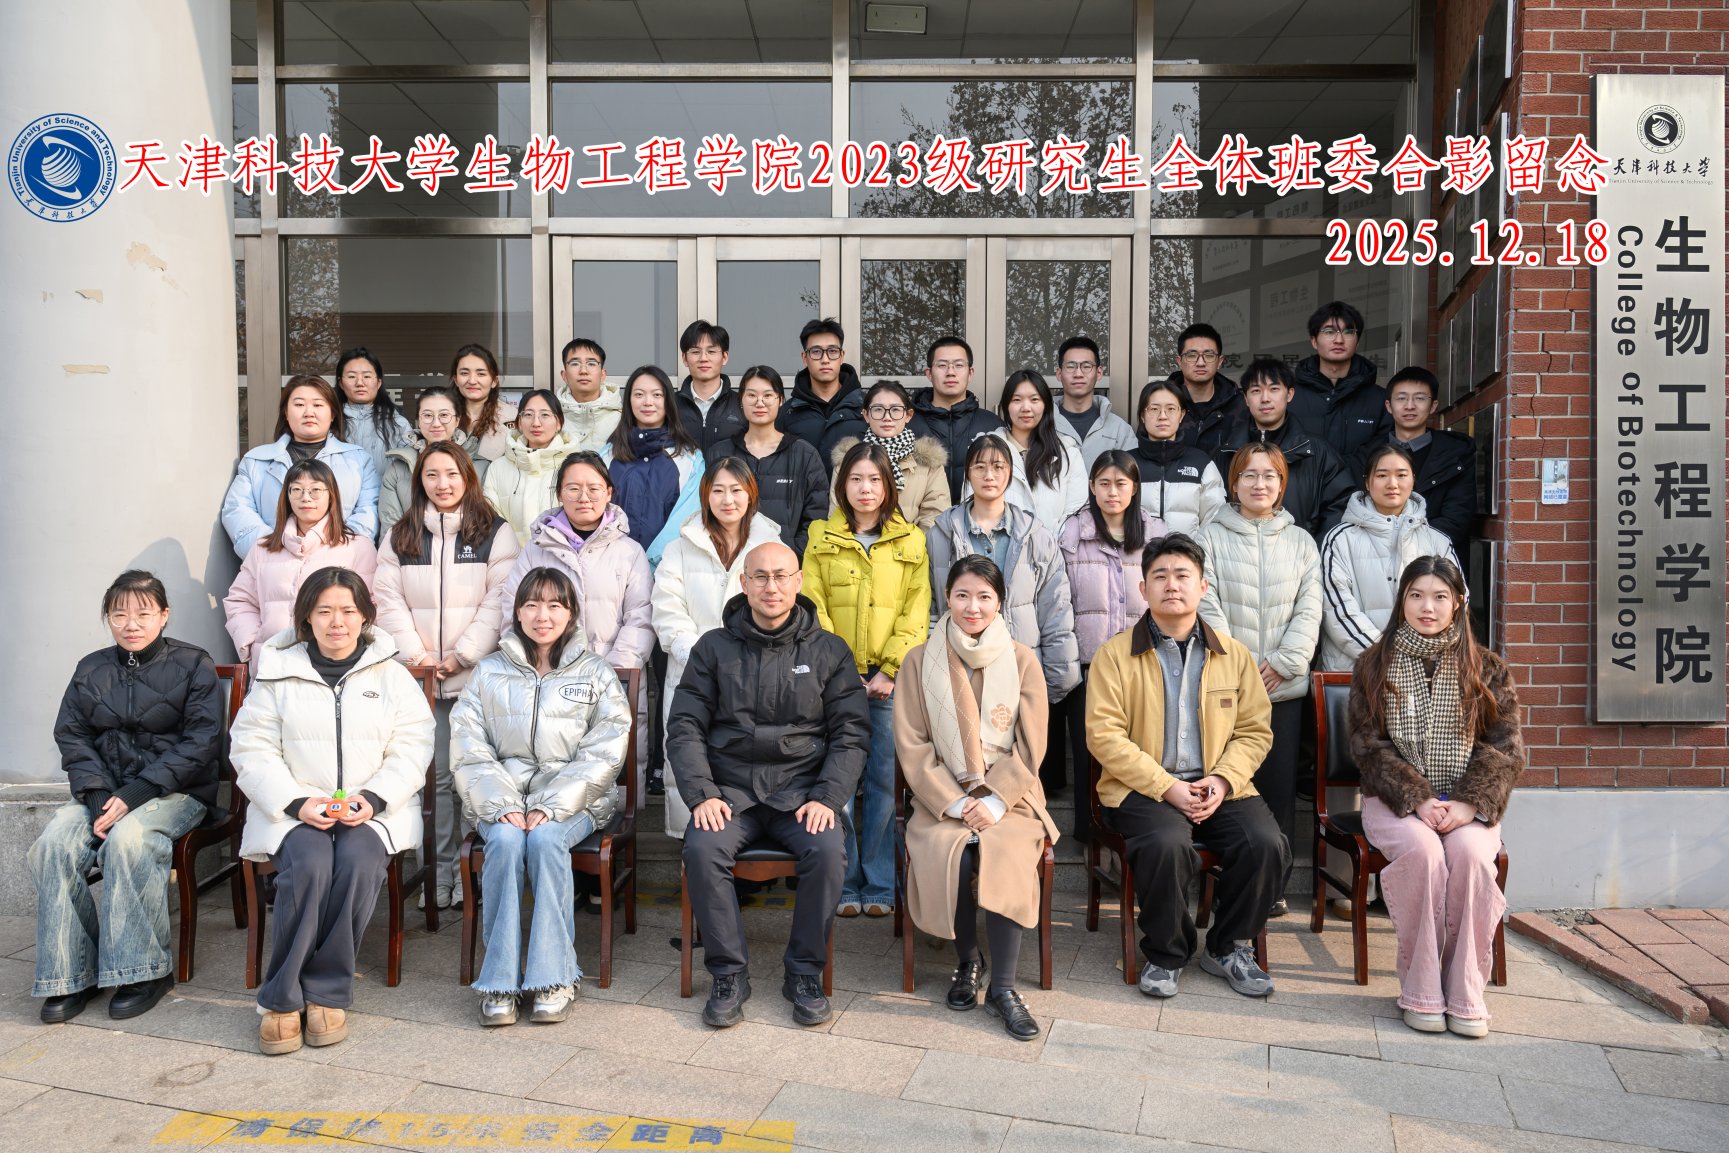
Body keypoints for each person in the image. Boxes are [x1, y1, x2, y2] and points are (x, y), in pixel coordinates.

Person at [231, 568, 434, 1055]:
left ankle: (325, 989)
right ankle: (281, 996)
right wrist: (296, 802)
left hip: (373, 810)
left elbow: (413, 746)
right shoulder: (277, 671)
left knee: (359, 863)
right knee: (311, 864)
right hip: (293, 809)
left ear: (365, 616)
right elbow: (251, 747)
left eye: (347, 611)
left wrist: (374, 798)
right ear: (306, 617)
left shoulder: (391, 675)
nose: (336, 622)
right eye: (324, 611)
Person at [668, 542, 869, 1030]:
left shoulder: (829, 650)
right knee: (702, 849)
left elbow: (851, 733)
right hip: (729, 794)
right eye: (760, 576)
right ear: (744, 583)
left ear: (799, 581)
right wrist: (702, 794)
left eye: (781, 576)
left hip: (800, 795)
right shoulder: (713, 648)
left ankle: (803, 972)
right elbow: (685, 726)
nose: (771, 587)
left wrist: (827, 797)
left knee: (828, 852)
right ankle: (728, 975)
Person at [1086, 534, 1286, 1000]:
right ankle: (1167, 953)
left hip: (1220, 785)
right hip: (1142, 788)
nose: (1171, 585)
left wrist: (1222, 779)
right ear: (1143, 589)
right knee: (1165, 845)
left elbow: (1255, 731)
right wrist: (1166, 786)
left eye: (1182, 575)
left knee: (1266, 844)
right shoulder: (1114, 655)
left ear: (1203, 586)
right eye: (1160, 576)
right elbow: (1104, 736)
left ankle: (1228, 946)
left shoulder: (1233, 655)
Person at [31, 571, 224, 1025]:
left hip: (175, 792)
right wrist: (99, 794)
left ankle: (144, 972)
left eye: (143, 613)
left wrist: (138, 792)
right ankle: (70, 974)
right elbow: (72, 735)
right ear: (108, 618)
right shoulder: (91, 668)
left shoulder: (193, 664)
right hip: (104, 794)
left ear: (164, 615)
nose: (131, 624)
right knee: (54, 844)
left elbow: (202, 740)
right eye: (119, 614)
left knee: (130, 839)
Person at [1348, 555, 1523, 1038]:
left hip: (1468, 803)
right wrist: (1418, 797)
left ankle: (1465, 991)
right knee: (1424, 854)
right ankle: (1422, 988)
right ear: (1402, 601)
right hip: (1396, 803)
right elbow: (1368, 746)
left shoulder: (1488, 669)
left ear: (1458, 603)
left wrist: (1469, 802)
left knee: (1470, 856)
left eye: (1440, 597)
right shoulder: (1373, 665)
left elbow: (1504, 749)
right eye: (1417, 596)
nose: (1428, 607)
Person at [452, 567, 632, 1026]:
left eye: (554, 605)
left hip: (574, 800)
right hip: (501, 798)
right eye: (531, 604)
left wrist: (553, 805)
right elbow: (469, 748)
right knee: (506, 840)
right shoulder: (489, 671)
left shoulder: (595, 672)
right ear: (517, 612)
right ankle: (500, 981)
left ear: (571, 613)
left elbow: (606, 750)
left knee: (548, 839)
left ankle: (554, 976)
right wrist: (503, 805)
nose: (542, 615)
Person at [895, 555, 1059, 1042]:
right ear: (947, 597)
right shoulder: (918, 661)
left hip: (1013, 795)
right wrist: (954, 801)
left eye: (984, 596)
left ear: (999, 602)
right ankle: (968, 961)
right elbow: (912, 745)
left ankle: (1004, 988)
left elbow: (1031, 745)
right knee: (957, 851)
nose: (973, 606)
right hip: (940, 796)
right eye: (962, 595)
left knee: (1003, 849)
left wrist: (994, 800)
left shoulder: (1023, 659)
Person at [374, 442, 521, 909]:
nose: (443, 484)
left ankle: (471, 877)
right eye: (432, 475)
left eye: (452, 474)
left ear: (467, 478)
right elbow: (386, 598)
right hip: (421, 680)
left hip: (477, 679)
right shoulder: (402, 534)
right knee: (433, 780)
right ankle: (436, 877)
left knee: (476, 777)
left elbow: (501, 598)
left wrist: (465, 654)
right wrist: (416, 657)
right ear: (420, 481)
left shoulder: (494, 532)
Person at [803, 442, 932, 917]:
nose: (865, 489)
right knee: (836, 780)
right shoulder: (820, 536)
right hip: (834, 682)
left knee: (882, 781)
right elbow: (812, 605)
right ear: (843, 485)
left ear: (888, 487)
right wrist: (839, 672)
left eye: (874, 480)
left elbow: (916, 612)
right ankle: (843, 877)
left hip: (887, 683)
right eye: (856, 479)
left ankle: (878, 880)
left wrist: (890, 670)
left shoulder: (911, 540)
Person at [1195, 444, 1323, 915]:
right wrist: (1243, 668)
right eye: (1249, 475)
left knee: (1277, 790)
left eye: (1270, 476)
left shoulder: (1302, 542)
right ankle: (1221, 882)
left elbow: (1311, 608)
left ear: (1282, 484)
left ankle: (1273, 887)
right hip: (1226, 689)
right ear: (1234, 483)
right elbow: (1205, 604)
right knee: (1226, 784)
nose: (1259, 484)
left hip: (1282, 688)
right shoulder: (1208, 537)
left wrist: (1286, 662)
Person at [507, 453, 655, 794]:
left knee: (612, 776)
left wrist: (611, 674)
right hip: (547, 680)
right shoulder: (536, 549)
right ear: (560, 493)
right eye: (573, 488)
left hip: (614, 678)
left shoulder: (629, 551)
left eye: (593, 488)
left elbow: (641, 616)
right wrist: (538, 667)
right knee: (550, 779)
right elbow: (512, 610)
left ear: (609, 492)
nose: (583, 496)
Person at [651, 459, 783, 837]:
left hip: (752, 673)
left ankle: (741, 844)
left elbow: (778, 605)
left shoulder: (771, 545)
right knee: (690, 757)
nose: (728, 499)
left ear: (751, 494)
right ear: (705, 495)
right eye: (718, 490)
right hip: (691, 672)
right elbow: (667, 608)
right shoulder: (679, 547)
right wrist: (702, 658)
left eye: (736, 490)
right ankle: (692, 849)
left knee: (743, 761)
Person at [1055, 452, 1166, 840]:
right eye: (1104, 483)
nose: (1112, 492)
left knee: (1139, 748)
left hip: (1144, 662)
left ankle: (1133, 834)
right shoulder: (1072, 533)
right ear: (1091, 487)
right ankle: (1090, 834)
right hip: (1088, 663)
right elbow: (1059, 600)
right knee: (1090, 751)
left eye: (1121, 483)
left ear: (1134, 488)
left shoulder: (1156, 534)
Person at [927, 435, 1081, 711]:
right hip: (957, 675)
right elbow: (931, 607)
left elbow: (1055, 610)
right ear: (967, 474)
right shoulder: (941, 534)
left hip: (1020, 674)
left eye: (998, 467)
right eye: (980, 467)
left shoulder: (1035, 535)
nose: (989, 475)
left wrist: (1056, 681)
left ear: (1010, 474)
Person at [225, 459, 379, 673]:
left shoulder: (357, 547)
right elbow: (240, 600)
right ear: (286, 496)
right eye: (296, 489)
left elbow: (373, 605)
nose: (305, 497)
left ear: (331, 494)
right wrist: (253, 643)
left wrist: (352, 650)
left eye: (315, 490)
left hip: (336, 666)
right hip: (273, 664)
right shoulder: (263, 548)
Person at [1318, 444, 1459, 672]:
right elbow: (1337, 610)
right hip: (1358, 671)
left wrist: (1421, 655)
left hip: (1425, 670)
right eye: (1382, 475)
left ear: (1413, 479)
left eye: (1401, 475)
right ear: (1367, 482)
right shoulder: (1340, 540)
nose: (1392, 484)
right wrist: (1386, 656)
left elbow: (1457, 602)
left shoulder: (1437, 541)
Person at [222, 375, 380, 557]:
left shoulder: (359, 460)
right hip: (272, 562)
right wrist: (273, 549)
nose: (308, 412)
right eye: (299, 404)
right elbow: (237, 510)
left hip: (337, 563)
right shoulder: (256, 461)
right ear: (286, 413)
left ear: (332, 414)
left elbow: (369, 511)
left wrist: (334, 552)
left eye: (318, 405)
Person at [1213, 358, 1354, 540]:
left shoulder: (1317, 452)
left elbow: (1340, 504)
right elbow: (1213, 509)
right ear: (1246, 399)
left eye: (1274, 389)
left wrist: (1314, 548)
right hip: (1237, 553)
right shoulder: (1227, 453)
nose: (1265, 398)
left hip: (1301, 554)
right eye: (1256, 391)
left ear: (1289, 394)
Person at [708, 366, 829, 554]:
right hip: (729, 561)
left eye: (768, 395)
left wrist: (790, 556)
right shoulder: (720, 453)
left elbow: (816, 518)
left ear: (780, 400)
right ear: (741, 400)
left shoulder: (804, 455)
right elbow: (706, 511)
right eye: (751, 395)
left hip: (787, 565)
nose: (760, 402)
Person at [605, 365, 705, 560]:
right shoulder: (608, 455)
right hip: (613, 566)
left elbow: (690, 518)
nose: (648, 402)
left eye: (657, 395)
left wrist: (653, 562)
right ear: (628, 401)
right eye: (639, 394)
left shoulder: (690, 459)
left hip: (668, 567)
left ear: (668, 401)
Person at [829, 380, 951, 530]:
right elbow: (837, 515)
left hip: (913, 543)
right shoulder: (848, 460)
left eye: (895, 409)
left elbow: (935, 517)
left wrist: (911, 544)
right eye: (878, 409)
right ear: (866, 415)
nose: (887, 417)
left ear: (908, 415)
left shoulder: (929, 461)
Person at [1384, 366, 1476, 557]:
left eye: (1419, 398)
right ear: (1389, 406)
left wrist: (1407, 545)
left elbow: (1456, 518)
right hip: (1377, 560)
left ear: (1433, 406)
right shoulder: (1367, 455)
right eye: (1401, 398)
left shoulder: (1456, 455)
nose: (1410, 406)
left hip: (1436, 561)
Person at [982, 369, 1088, 536]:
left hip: (1055, 551)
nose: (1026, 408)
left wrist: (1046, 547)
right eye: (1017, 400)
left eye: (1034, 400)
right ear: (1006, 406)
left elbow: (1076, 515)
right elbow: (975, 512)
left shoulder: (1068, 454)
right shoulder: (984, 453)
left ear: (1046, 405)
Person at [1291, 301, 1389, 466]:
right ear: (1314, 341)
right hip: (1303, 482)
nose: (1339, 340)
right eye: (1329, 332)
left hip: (1359, 481)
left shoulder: (1380, 400)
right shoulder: (1289, 397)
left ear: (1357, 342)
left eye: (1348, 332)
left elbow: (1383, 451)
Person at [380, 386, 489, 534]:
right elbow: (391, 531)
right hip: (411, 546)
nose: (436, 423)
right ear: (418, 420)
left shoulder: (482, 467)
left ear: (457, 420)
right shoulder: (398, 469)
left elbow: (485, 525)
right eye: (427, 415)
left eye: (444, 415)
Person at [910, 336, 1005, 502]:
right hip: (922, 518)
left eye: (959, 365)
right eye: (942, 365)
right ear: (929, 373)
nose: (950, 372)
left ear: (970, 373)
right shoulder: (908, 424)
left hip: (977, 516)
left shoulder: (992, 425)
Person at [1130, 378, 1226, 535]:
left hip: (1189, 550)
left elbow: (1215, 521)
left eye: (1171, 409)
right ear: (1142, 415)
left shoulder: (1201, 464)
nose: (1163, 416)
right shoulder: (1127, 464)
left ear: (1181, 415)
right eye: (1154, 409)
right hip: (1136, 551)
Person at [484, 388, 578, 544]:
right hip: (511, 557)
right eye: (528, 415)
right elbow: (491, 520)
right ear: (519, 423)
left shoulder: (577, 467)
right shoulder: (498, 468)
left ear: (559, 423)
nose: (536, 423)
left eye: (545, 415)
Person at [777, 317, 866, 471]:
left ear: (842, 356)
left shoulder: (866, 407)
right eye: (816, 352)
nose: (825, 360)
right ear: (805, 358)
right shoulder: (787, 413)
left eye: (832, 351)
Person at [1052, 335, 1137, 468]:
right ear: (1059, 374)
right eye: (1070, 366)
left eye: (1086, 366)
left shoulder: (1120, 430)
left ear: (1099, 373)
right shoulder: (1043, 424)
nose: (1078, 374)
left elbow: (1131, 476)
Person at [1166, 322, 1244, 458]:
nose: (1200, 363)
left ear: (1220, 361)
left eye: (1209, 355)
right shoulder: (1162, 403)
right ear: (1179, 361)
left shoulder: (1240, 404)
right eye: (1192, 355)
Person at [335, 346, 410, 479]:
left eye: (367, 376)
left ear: (379, 382)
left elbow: (409, 472)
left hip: (386, 493)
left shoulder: (398, 423)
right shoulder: (330, 421)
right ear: (341, 383)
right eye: (351, 376)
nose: (360, 383)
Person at [675, 320, 746, 453]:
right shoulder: (669, 405)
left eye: (711, 351)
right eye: (695, 352)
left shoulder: (742, 404)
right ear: (684, 358)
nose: (703, 358)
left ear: (724, 357)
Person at [553, 338, 622, 453]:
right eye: (575, 364)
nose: (583, 371)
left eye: (591, 364)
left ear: (603, 374)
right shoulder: (550, 419)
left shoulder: (624, 420)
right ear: (564, 375)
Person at [452, 343, 518, 462]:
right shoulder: (441, 416)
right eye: (464, 373)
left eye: (481, 374)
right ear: (456, 380)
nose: (472, 381)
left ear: (494, 381)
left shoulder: (512, 417)